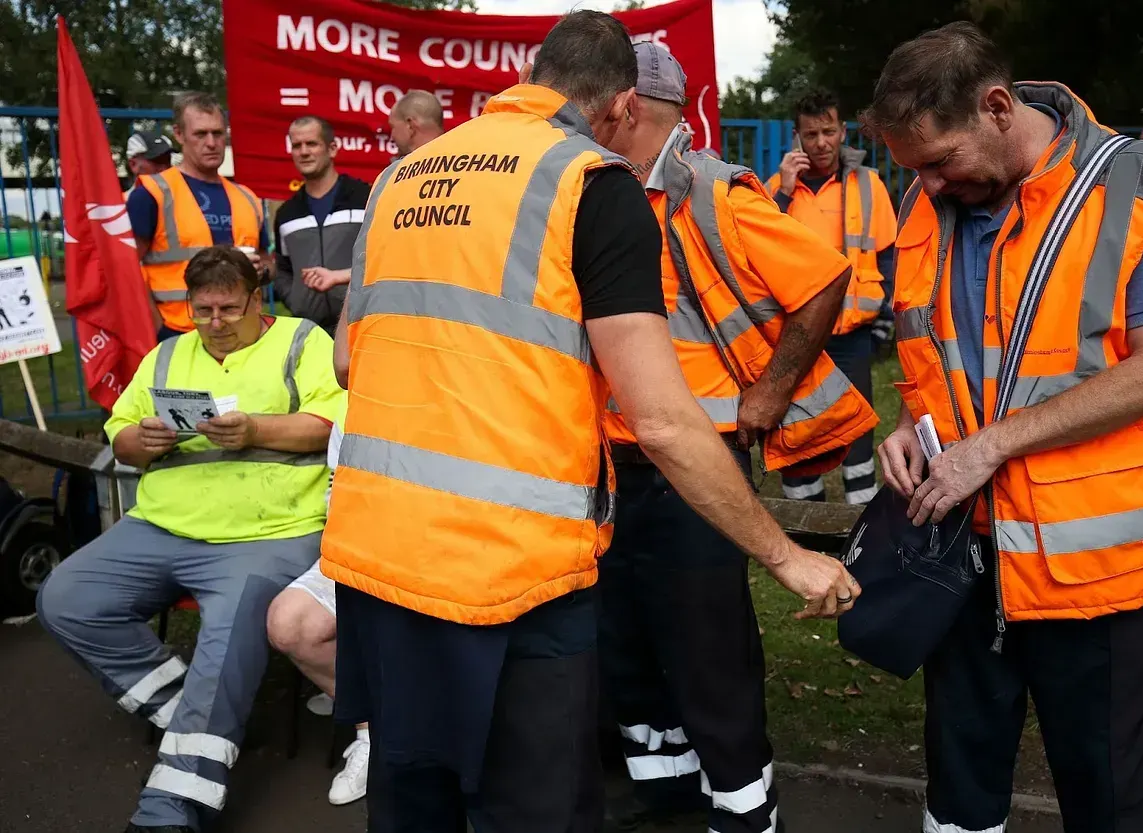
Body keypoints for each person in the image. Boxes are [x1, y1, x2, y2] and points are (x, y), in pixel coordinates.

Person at [319, 11, 861, 832]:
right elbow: (665, 420)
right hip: (514, 570)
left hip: (380, 555)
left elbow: (349, 364)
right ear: (615, 108)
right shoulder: (590, 182)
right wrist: (787, 556)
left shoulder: (401, 179)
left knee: (415, 796)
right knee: (538, 806)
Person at [864, 22, 1143, 833]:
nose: (928, 185)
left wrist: (991, 445)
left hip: (1090, 570)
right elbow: (940, 355)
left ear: (997, 106)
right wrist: (908, 422)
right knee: (959, 790)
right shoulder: (932, 199)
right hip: (961, 557)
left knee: (1108, 798)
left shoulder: (1132, 187)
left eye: (939, 162)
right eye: (914, 169)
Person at [596, 44, 878, 832]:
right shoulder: (608, 194)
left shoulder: (714, 192)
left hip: (696, 462)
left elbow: (825, 276)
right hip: (613, 463)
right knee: (629, 637)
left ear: (631, 107)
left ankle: (744, 808)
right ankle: (667, 788)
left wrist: (772, 391)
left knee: (707, 648)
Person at [36, 246, 345, 833]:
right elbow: (119, 435)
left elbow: (331, 424)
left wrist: (256, 429)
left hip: (267, 532)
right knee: (64, 599)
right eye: (202, 311)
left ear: (257, 299)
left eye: (228, 310)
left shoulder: (303, 341)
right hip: (162, 524)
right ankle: (187, 709)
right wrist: (140, 440)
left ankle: (172, 810)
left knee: (226, 641)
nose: (214, 324)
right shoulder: (169, 351)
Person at [767, 89, 900, 506]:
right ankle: (806, 524)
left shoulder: (868, 184)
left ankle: (860, 521)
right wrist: (784, 192)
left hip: (851, 336)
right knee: (800, 429)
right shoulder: (774, 189)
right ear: (797, 138)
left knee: (857, 430)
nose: (821, 143)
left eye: (828, 131)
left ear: (843, 132)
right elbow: (758, 252)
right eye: (811, 134)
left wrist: (882, 326)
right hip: (796, 337)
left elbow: (888, 257)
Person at [266, 420, 371, 807]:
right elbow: (337, 498)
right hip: (365, 544)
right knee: (290, 624)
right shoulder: (357, 406)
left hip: (451, 556)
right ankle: (374, 731)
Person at [128, 92, 270, 341]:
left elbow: (269, 262)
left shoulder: (248, 198)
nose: (212, 143)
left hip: (243, 334)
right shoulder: (152, 194)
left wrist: (263, 270)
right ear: (179, 134)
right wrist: (155, 327)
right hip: (178, 333)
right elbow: (126, 269)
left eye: (218, 133)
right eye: (200, 134)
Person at [273, 116, 371, 333]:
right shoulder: (286, 214)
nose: (304, 152)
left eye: (312, 143)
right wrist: (295, 300)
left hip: (360, 325)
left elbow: (382, 256)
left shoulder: (365, 198)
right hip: (308, 329)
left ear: (332, 148)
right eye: (297, 145)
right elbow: (282, 269)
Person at [388, 90, 445, 157]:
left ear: (410, 126)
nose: (392, 137)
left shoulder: (398, 167)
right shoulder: (458, 155)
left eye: (393, 127)